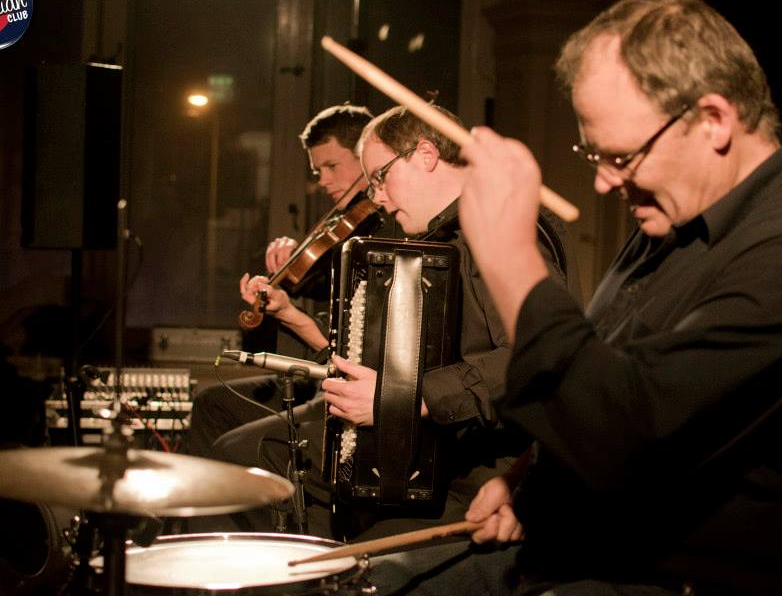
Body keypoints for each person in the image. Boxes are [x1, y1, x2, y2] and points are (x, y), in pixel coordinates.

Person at [371, 0, 782, 595]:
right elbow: (608, 366)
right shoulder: (678, 211)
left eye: (621, 156)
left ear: (713, 121)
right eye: (595, 154)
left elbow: (619, 433)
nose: (605, 181)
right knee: (357, 580)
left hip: (689, 576)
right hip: (589, 541)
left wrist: (507, 251)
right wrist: (531, 476)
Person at [213, 103, 580, 540]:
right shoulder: (443, 241)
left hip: (484, 475)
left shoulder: (494, 232)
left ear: (425, 154)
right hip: (441, 451)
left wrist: (403, 399)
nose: (378, 198)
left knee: (264, 465)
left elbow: (540, 357)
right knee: (267, 456)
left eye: (381, 178)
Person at [187, 104, 382, 464]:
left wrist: (293, 295)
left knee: (231, 436)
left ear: (368, 156)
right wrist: (291, 266)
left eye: (332, 166)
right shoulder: (346, 221)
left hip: (350, 384)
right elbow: (320, 277)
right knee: (210, 402)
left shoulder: (383, 228)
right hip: (322, 368)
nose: (322, 180)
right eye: (317, 170)